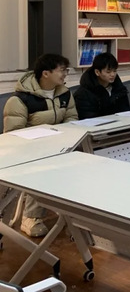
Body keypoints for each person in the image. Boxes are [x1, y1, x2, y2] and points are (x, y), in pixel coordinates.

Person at [3, 53, 78, 237]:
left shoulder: (64, 93)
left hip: (58, 146)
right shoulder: (20, 99)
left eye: (66, 70)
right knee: (43, 167)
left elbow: (72, 118)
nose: (65, 74)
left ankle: (73, 213)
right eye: (62, 70)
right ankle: (31, 217)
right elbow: (13, 134)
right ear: (46, 73)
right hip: (29, 151)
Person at [73, 52, 130, 119]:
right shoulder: (84, 93)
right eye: (108, 72)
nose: (112, 75)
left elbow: (126, 112)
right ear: (97, 72)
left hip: (120, 123)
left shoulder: (119, 87)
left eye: (114, 71)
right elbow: (87, 119)